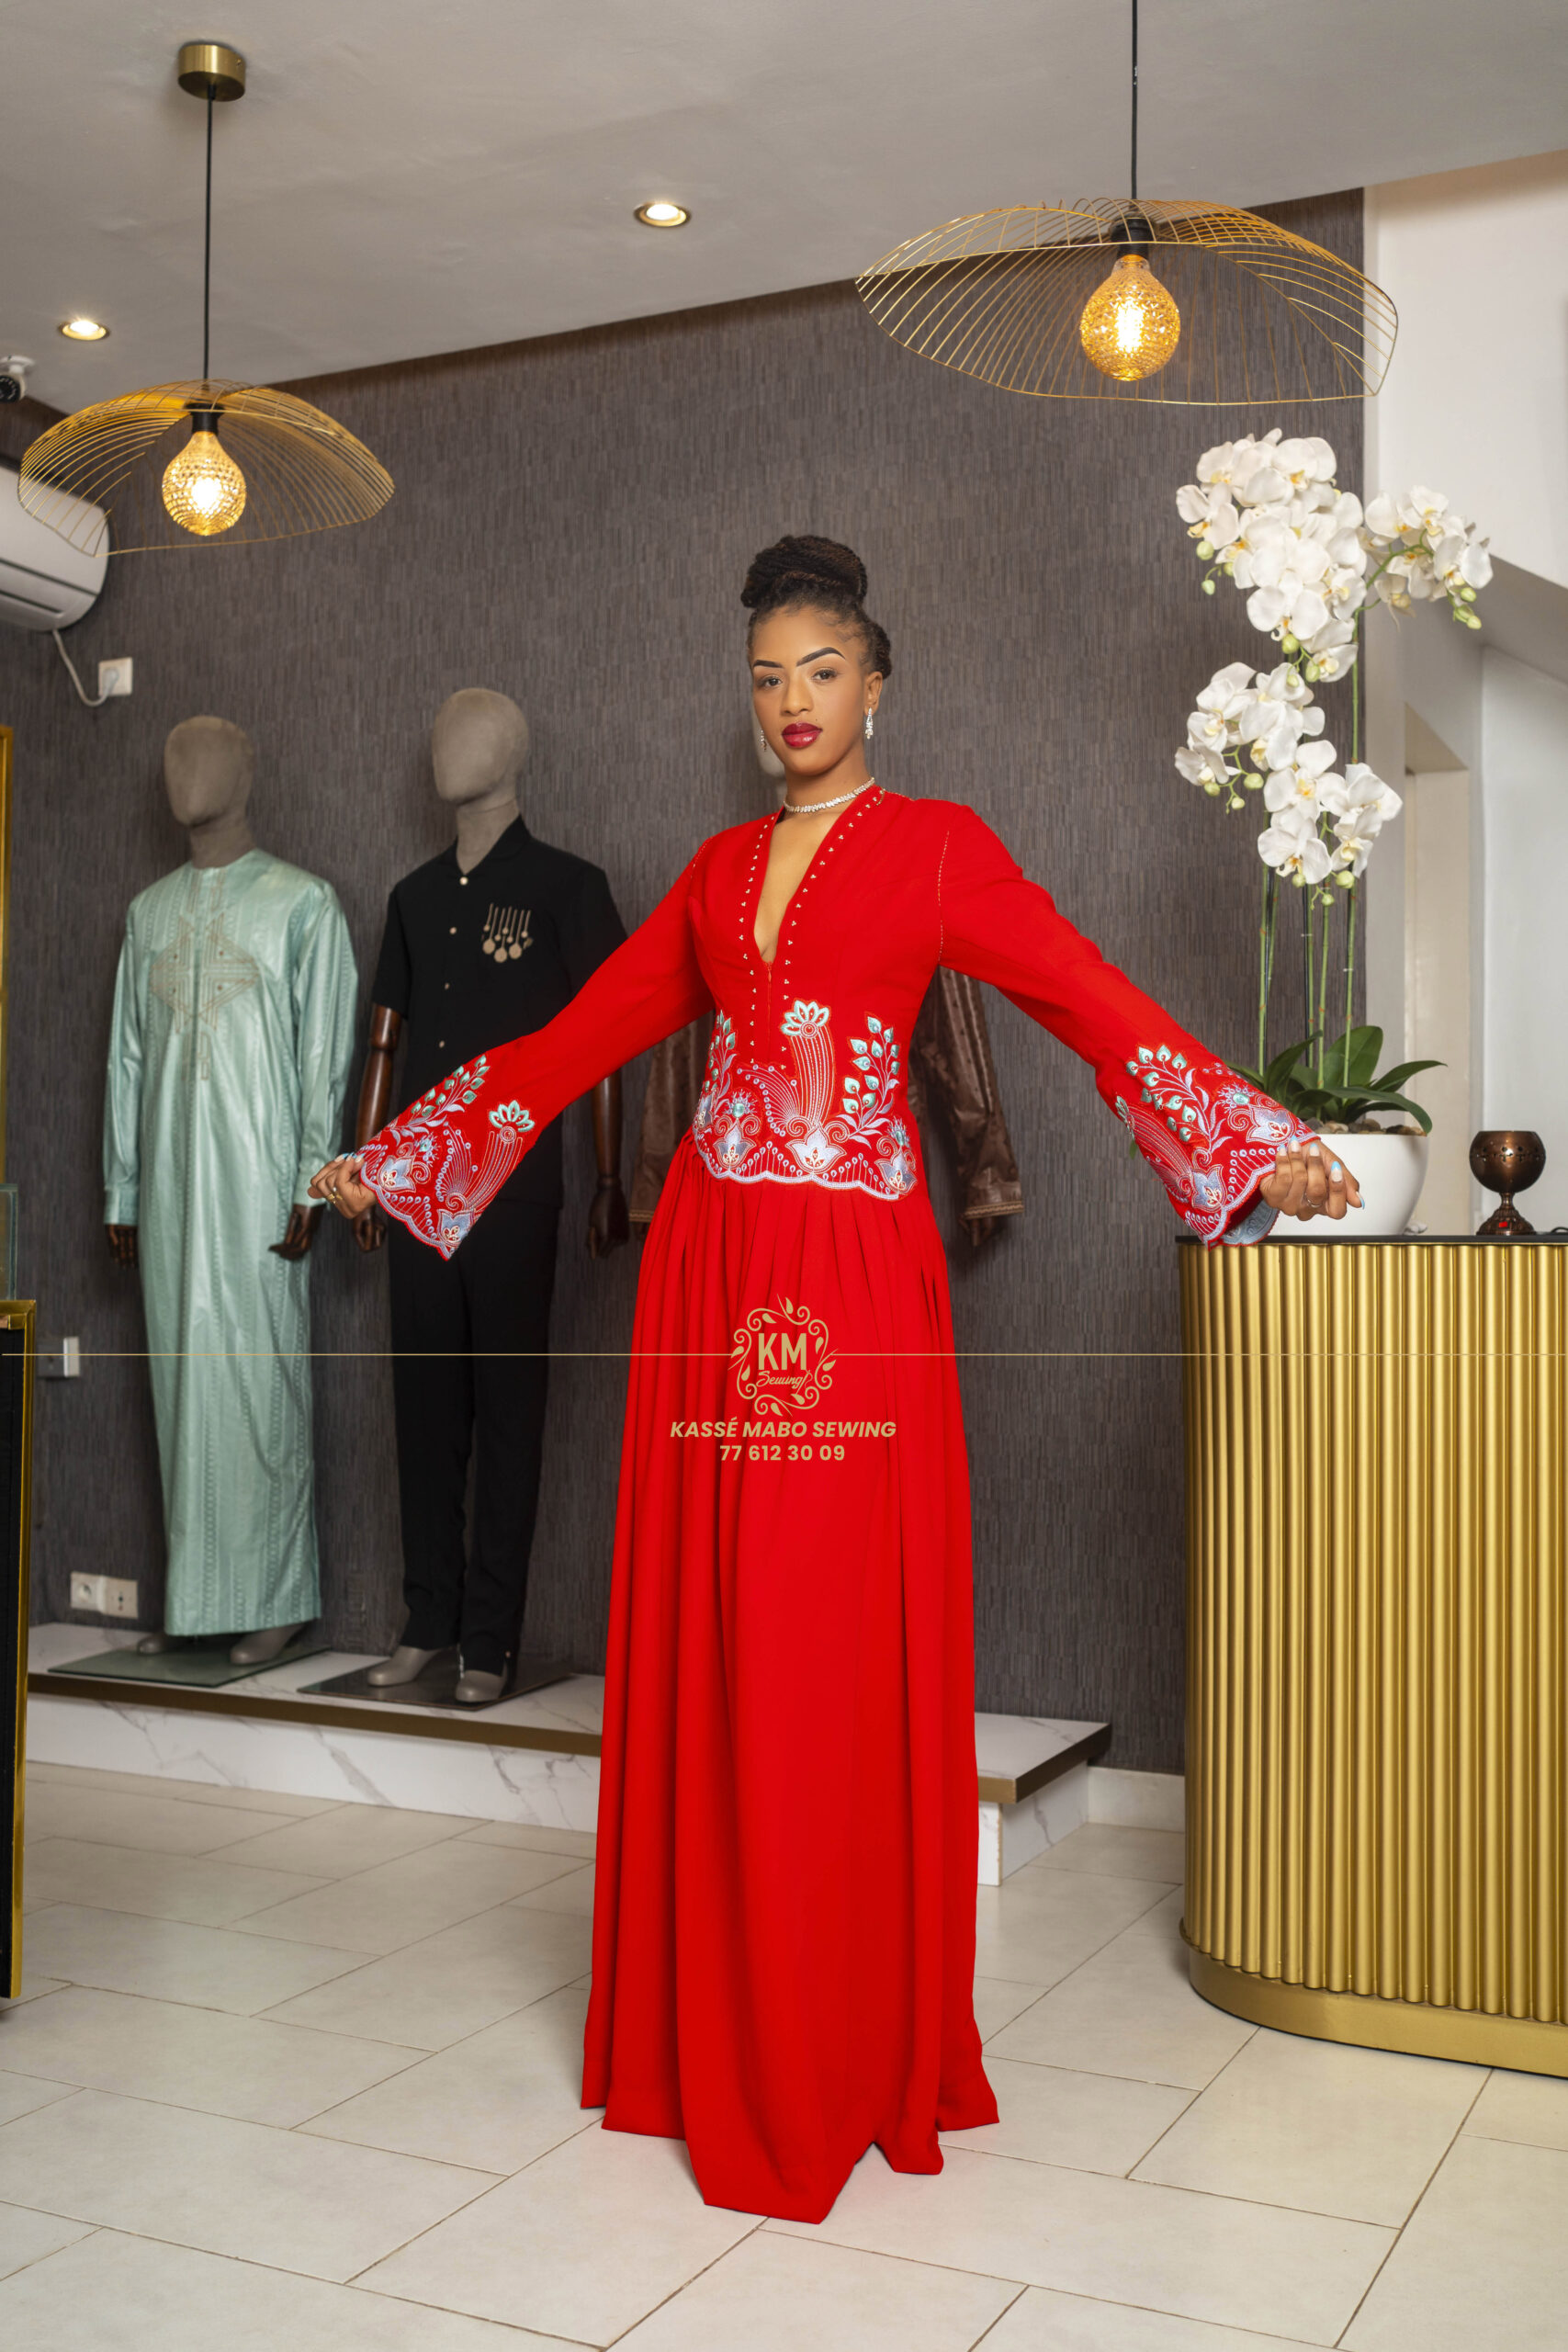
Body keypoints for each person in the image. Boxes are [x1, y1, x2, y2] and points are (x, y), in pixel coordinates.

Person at [311, 535, 1358, 2223]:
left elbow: (1089, 999)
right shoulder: (718, 872)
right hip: (709, 1270)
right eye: (765, 678)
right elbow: (570, 1044)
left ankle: (833, 2031)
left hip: (851, 1280)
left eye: (820, 671)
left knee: (821, 1626)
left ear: (877, 684)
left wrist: (1258, 1143)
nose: (791, 702)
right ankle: (711, 2020)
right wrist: (400, 1156)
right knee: (721, 1620)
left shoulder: (940, 850)